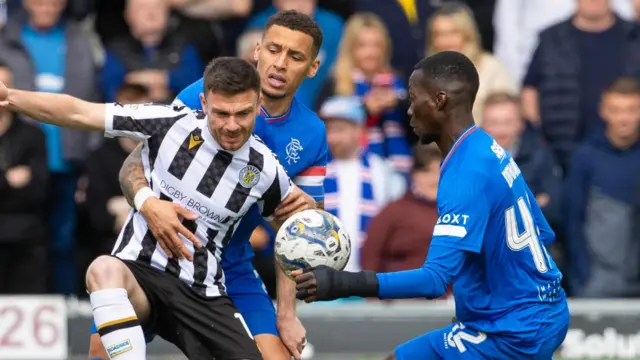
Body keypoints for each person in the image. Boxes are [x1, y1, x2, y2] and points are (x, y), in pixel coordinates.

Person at [0, 57, 309, 360]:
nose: (232, 125)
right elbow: (79, 112)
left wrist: (307, 223)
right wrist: (10, 96)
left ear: (258, 106)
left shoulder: (267, 170)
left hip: (200, 293)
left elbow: (290, 233)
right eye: (221, 113)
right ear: (203, 103)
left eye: (242, 114)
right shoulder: (169, 121)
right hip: (140, 274)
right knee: (103, 269)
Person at [293, 51, 570, 360]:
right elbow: (541, 233)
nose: (409, 110)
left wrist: (342, 283)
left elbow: (434, 280)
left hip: (513, 331)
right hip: (540, 310)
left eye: (413, 98)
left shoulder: (466, 173)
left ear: (439, 100)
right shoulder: (487, 147)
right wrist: (475, 307)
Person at [89, 9, 328, 360]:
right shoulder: (204, 93)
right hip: (157, 254)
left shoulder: (312, 134)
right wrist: (149, 204)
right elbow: (132, 167)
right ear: (258, 50)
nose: (280, 63)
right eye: (274, 49)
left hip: (231, 269)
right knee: (102, 351)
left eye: (294, 56)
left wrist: (287, 312)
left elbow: (297, 234)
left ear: (312, 67)